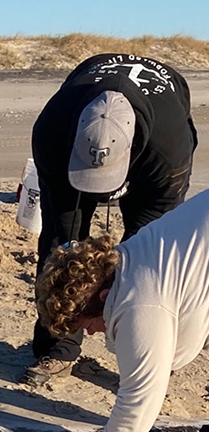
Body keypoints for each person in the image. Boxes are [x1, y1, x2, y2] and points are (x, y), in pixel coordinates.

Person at [36, 189, 209, 432]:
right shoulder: (131, 257)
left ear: (102, 296)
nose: (88, 333)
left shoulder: (140, 304)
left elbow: (141, 397)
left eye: (86, 323)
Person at [26, 53, 197, 386]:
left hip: (156, 148)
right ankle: (57, 347)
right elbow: (62, 238)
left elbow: (160, 250)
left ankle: (150, 352)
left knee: (151, 263)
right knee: (60, 243)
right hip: (67, 145)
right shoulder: (51, 130)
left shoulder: (169, 147)